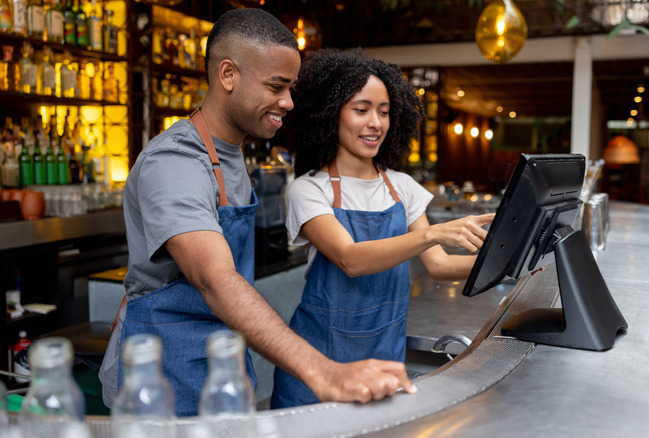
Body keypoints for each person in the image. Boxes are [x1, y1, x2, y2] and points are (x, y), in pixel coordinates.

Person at [99, 9, 415, 417]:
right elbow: (214, 279)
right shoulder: (175, 161)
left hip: (221, 364)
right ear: (228, 75)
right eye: (276, 86)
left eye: (291, 87)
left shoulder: (231, 156)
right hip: (160, 376)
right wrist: (322, 371)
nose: (288, 102)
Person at [271, 48, 495, 408]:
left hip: (386, 359)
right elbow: (350, 259)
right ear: (330, 115)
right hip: (319, 366)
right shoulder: (309, 190)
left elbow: (440, 266)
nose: (375, 122)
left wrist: (512, 261)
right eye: (361, 110)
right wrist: (433, 233)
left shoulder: (401, 186)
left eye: (384, 112)